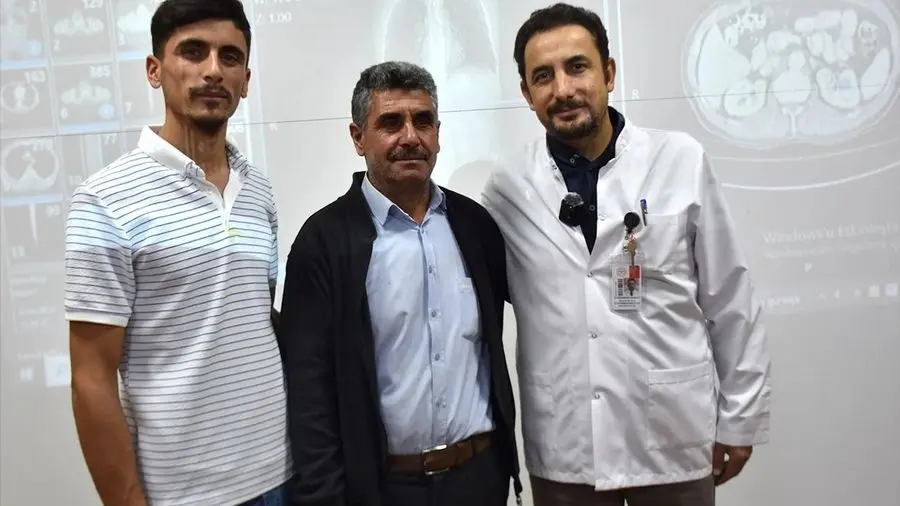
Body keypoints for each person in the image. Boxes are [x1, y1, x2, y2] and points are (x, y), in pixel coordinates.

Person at [481, 3, 772, 506]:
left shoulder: (679, 160)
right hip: (567, 447)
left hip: (672, 436)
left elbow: (730, 299)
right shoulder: (508, 188)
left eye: (577, 67)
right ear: (527, 94)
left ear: (609, 73)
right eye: (543, 76)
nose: (563, 89)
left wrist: (740, 417)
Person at [64, 1, 292, 504]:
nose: (213, 70)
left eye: (230, 57)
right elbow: (90, 379)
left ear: (246, 80)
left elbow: (254, 318)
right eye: (193, 52)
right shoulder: (104, 198)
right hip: (182, 494)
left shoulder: (258, 188)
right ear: (154, 70)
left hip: (283, 477)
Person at [278, 60, 523, 506]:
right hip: (383, 489)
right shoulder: (325, 242)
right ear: (358, 138)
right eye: (391, 123)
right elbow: (310, 391)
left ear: (438, 134)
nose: (410, 137)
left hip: (479, 478)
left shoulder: (475, 226)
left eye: (422, 121)